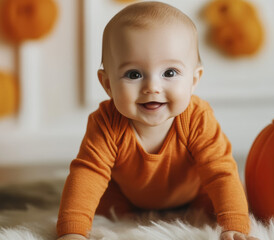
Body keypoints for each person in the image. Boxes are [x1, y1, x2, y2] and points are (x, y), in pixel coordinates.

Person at [56, 2, 257, 240]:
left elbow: (220, 172)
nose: (152, 87)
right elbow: (88, 174)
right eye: (134, 74)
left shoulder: (197, 118)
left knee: (217, 198)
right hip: (126, 198)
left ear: (194, 80)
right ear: (107, 84)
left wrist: (235, 225)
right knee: (101, 202)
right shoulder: (106, 123)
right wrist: (72, 231)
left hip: (193, 196)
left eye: (169, 73)